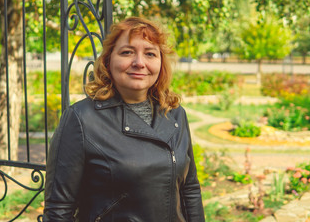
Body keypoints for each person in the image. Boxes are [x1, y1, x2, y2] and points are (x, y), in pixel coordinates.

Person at [43, 17, 205, 222]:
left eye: (150, 53)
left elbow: (190, 189)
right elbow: (59, 209)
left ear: (160, 63)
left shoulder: (174, 113)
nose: (139, 62)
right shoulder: (81, 119)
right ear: (108, 60)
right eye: (127, 52)